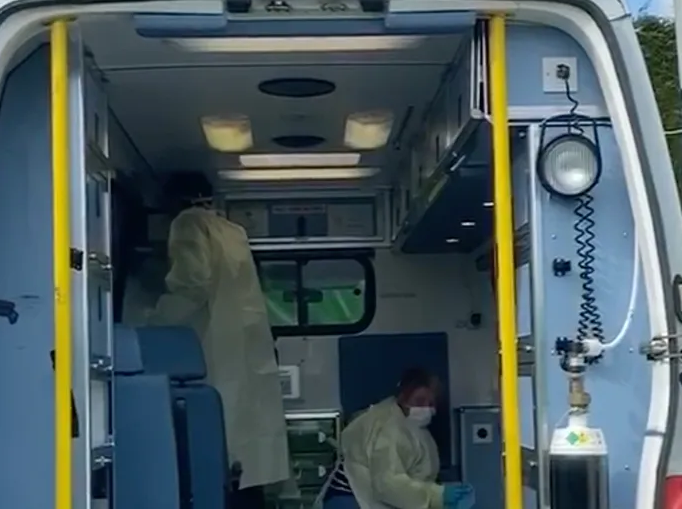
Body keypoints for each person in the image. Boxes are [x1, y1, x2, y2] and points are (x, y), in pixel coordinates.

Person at [130, 171, 290, 509]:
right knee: (244, 463)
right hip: (245, 352)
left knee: (216, 453)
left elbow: (192, 284)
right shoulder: (233, 232)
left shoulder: (188, 225)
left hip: (214, 350)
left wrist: (151, 321)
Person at [325, 368, 474, 509]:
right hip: (354, 500)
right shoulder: (388, 427)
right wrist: (438, 495)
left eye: (431, 403)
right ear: (403, 396)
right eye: (419, 400)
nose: (426, 408)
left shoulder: (408, 426)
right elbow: (387, 483)